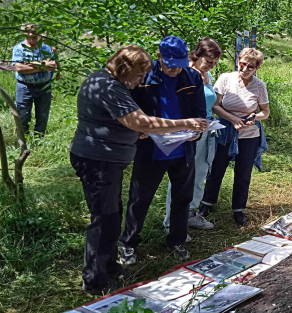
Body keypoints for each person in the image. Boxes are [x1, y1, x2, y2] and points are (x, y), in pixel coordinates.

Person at [70, 44, 207, 295]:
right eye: (138, 75)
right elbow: (139, 120)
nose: (141, 80)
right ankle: (94, 281)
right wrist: (186, 123)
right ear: (125, 69)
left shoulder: (110, 81)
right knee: (104, 219)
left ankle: (109, 267)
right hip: (98, 161)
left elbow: (129, 122)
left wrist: (138, 129)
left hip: (108, 161)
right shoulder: (109, 86)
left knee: (112, 215)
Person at [118, 36, 207, 265]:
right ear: (159, 57)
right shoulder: (144, 78)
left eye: (179, 64)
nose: (175, 70)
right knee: (140, 198)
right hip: (151, 150)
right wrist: (138, 129)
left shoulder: (193, 77)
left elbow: (200, 112)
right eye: (170, 65)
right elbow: (132, 110)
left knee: (182, 198)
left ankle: (177, 240)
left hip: (184, 149)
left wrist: (198, 130)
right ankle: (128, 243)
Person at [198, 48, 270, 226]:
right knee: (216, 169)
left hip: (249, 134)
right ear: (238, 61)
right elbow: (215, 105)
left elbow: (265, 112)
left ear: (257, 68)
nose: (245, 68)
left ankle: (238, 209)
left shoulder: (259, 86)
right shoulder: (225, 78)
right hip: (224, 130)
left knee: (243, 172)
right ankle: (207, 203)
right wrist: (232, 118)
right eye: (243, 64)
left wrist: (255, 117)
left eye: (250, 67)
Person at [163, 37, 222, 232]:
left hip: (206, 130)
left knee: (200, 173)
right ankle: (171, 222)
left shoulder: (207, 75)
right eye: (208, 62)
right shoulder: (183, 73)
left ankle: (191, 213)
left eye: (215, 63)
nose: (211, 66)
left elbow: (209, 102)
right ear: (197, 56)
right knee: (181, 177)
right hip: (186, 132)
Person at [12, 24, 57, 136]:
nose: (31, 35)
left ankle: (39, 138)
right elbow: (19, 68)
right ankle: (23, 138)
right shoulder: (19, 48)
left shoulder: (46, 48)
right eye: (28, 32)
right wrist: (43, 65)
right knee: (22, 114)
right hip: (24, 86)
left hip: (45, 86)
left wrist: (32, 64)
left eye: (34, 32)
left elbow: (52, 66)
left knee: (42, 115)